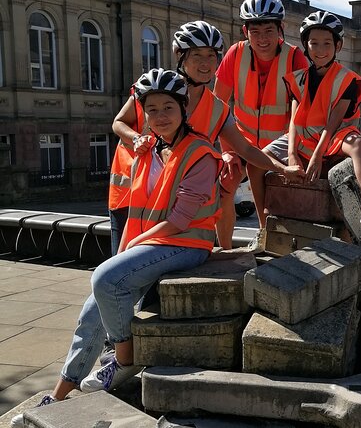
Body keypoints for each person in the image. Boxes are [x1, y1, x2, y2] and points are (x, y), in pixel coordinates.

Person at [11, 69, 223, 428]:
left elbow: (183, 218)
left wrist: (135, 245)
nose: (160, 116)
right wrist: (130, 246)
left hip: (187, 242)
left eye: (168, 107)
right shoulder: (148, 150)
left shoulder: (201, 152)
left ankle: (125, 359)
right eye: (151, 109)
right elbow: (138, 211)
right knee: (90, 311)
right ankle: (59, 394)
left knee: (105, 278)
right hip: (152, 241)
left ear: (184, 108)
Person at [112, 20, 303, 249]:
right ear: (179, 55)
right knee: (120, 267)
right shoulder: (154, 88)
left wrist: (283, 169)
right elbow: (119, 122)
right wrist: (136, 139)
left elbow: (246, 150)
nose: (206, 64)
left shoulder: (217, 109)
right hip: (129, 195)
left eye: (211, 56)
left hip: (170, 203)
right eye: (197, 56)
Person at [280, 10, 361, 228]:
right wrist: (292, 154)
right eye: (314, 43)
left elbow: (332, 123)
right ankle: (263, 224)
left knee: (358, 144)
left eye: (327, 44)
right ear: (306, 45)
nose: (320, 50)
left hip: (333, 138)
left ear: (338, 47)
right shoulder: (297, 79)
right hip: (304, 140)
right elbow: (294, 119)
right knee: (259, 159)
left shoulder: (347, 79)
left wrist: (316, 156)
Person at [213, 0, 309, 244]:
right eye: (255, 32)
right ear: (245, 31)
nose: (262, 39)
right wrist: (227, 152)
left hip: (281, 143)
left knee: (277, 192)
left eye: (268, 30)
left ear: (281, 29)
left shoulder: (295, 57)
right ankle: (224, 253)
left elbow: (301, 111)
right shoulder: (234, 54)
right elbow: (218, 106)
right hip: (240, 141)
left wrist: (291, 152)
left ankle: (265, 235)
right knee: (224, 188)